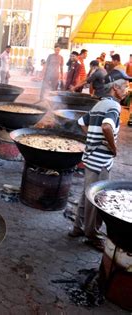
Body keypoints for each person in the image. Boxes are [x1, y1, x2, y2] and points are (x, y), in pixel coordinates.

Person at [69, 70, 129, 251]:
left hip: (90, 158)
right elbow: (106, 126)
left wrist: (91, 140)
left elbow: (81, 122)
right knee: (97, 197)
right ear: (115, 88)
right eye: (124, 86)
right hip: (101, 160)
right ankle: (92, 234)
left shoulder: (99, 105)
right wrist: (113, 147)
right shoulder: (114, 107)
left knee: (86, 193)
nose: (126, 90)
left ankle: (77, 228)